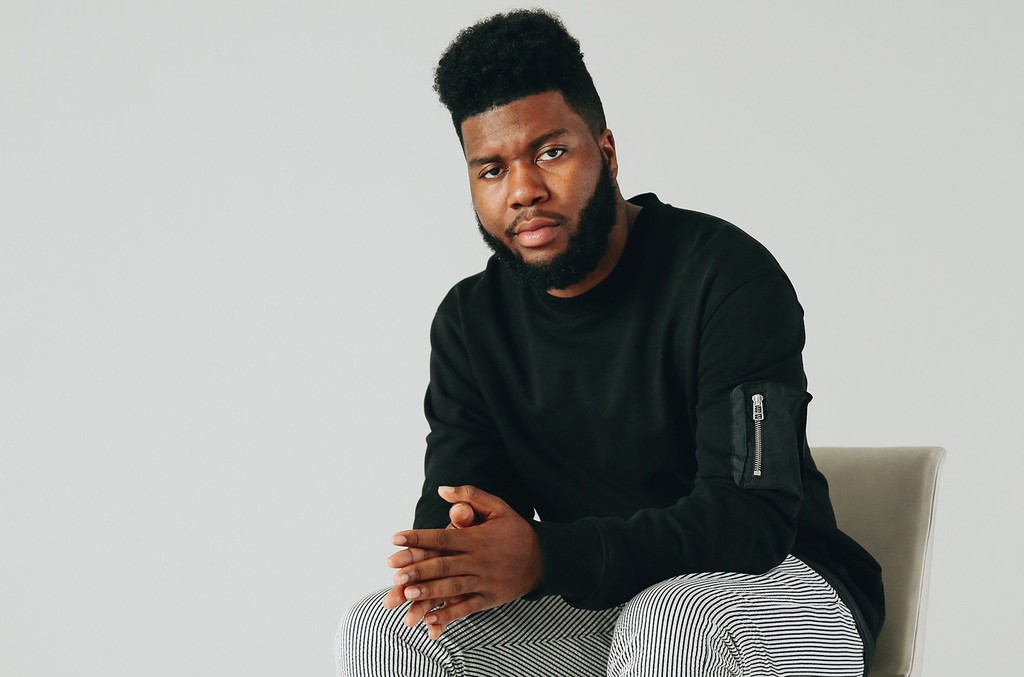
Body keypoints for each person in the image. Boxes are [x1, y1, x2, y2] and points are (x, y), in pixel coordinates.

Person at [336, 9, 883, 677]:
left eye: (551, 153)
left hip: (784, 591)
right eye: (492, 170)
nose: (523, 191)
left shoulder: (726, 278)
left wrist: (545, 554)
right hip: (604, 603)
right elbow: (465, 515)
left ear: (608, 152)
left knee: (674, 621)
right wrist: (454, 557)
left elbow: (749, 520)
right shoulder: (471, 322)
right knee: (384, 630)